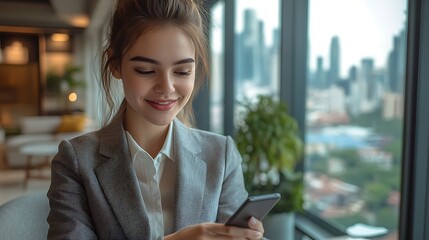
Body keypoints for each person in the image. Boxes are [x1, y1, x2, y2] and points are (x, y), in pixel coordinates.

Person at [47, 0, 265, 239]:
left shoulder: (221, 156)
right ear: (116, 65)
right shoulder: (76, 161)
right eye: (146, 70)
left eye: (182, 71)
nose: (166, 87)